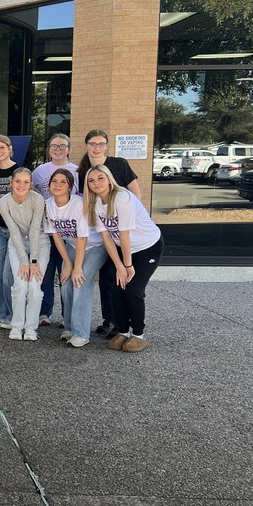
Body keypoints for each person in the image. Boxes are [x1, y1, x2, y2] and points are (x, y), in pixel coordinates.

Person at [85, 164, 164, 353]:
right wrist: (119, 265)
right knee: (117, 289)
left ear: (109, 178)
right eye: (91, 180)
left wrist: (126, 265)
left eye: (100, 178)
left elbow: (124, 234)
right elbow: (107, 238)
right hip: (123, 248)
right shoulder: (95, 203)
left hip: (147, 247)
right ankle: (123, 331)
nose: (96, 183)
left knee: (133, 290)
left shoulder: (123, 198)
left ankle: (138, 334)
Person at [77, 129, 141, 338]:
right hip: (102, 231)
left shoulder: (119, 164)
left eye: (101, 143)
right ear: (86, 145)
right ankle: (110, 320)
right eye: (92, 143)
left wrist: (137, 218)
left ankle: (125, 325)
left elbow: (136, 192)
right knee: (106, 278)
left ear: (106, 146)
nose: (96, 147)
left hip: (124, 230)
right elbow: (85, 199)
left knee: (122, 277)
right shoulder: (83, 169)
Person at [43, 168, 108, 348]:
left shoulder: (79, 204)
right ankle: (70, 328)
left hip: (95, 246)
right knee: (66, 283)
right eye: (54, 181)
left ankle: (81, 333)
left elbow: (83, 237)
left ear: (70, 187)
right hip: (71, 246)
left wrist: (76, 267)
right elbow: (56, 236)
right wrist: (67, 265)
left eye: (63, 182)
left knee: (80, 282)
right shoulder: (47, 205)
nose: (58, 185)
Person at [31, 134, 80, 327]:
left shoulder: (77, 171)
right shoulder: (40, 171)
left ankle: (68, 316)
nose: (58, 149)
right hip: (46, 227)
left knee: (66, 272)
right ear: (49, 149)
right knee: (47, 271)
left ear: (68, 149)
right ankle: (44, 313)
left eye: (62, 146)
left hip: (70, 230)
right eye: (54, 146)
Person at [0, 167, 48, 341]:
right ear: (11, 182)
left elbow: (35, 229)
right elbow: (14, 231)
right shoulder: (3, 202)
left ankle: (31, 327)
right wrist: (23, 260)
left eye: (26, 182)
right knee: (19, 285)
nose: (21, 185)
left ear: (31, 184)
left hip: (39, 243)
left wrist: (32, 261)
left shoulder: (38, 199)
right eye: (18, 181)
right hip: (17, 243)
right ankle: (17, 325)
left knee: (34, 285)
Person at [0, 135, 21, 330]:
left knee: (9, 274)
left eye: (1, 147)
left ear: (10, 149)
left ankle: (14, 315)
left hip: (16, 229)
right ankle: (2, 316)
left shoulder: (20, 171)